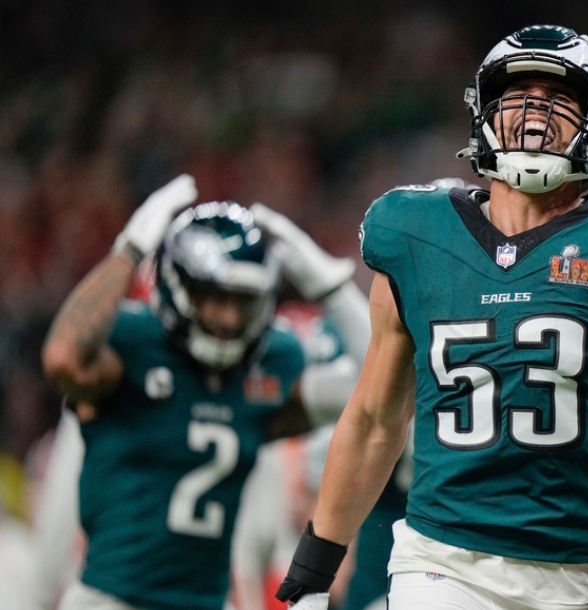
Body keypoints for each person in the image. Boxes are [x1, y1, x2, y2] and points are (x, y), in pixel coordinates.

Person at [274, 24, 588, 610]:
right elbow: (376, 419)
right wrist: (313, 567)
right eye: (517, 96)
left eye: (560, 101)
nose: (535, 114)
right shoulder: (416, 235)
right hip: (440, 563)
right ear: (483, 112)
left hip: (580, 574)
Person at [38, 175, 368, 610]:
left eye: (242, 301)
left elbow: (376, 395)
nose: (229, 319)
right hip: (112, 599)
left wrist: (333, 289)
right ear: (179, 284)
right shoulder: (135, 343)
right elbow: (63, 358)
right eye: (214, 298)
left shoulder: (266, 366)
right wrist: (128, 250)